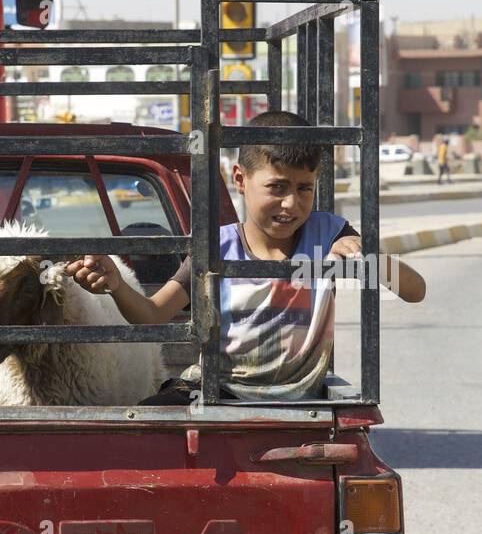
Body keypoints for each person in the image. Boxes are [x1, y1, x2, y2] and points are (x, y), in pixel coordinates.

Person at [65, 109, 426, 404]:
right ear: (240, 178)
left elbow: (415, 290)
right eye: (277, 187)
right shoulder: (216, 249)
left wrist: (369, 259)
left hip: (299, 402)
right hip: (218, 393)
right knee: (149, 424)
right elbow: (153, 314)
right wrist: (115, 284)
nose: (291, 204)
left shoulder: (328, 234)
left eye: (304, 188)